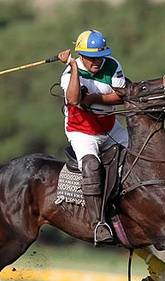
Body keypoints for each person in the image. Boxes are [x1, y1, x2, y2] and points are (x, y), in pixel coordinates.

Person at [58, 29, 128, 244]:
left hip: (110, 127)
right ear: (81, 56)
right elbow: (73, 99)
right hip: (81, 131)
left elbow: (121, 95)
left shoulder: (113, 65)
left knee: (139, 155)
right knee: (90, 165)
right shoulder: (70, 73)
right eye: (91, 58)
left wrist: (93, 98)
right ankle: (98, 223)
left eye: (100, 56)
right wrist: (73, 67)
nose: (97, 62)